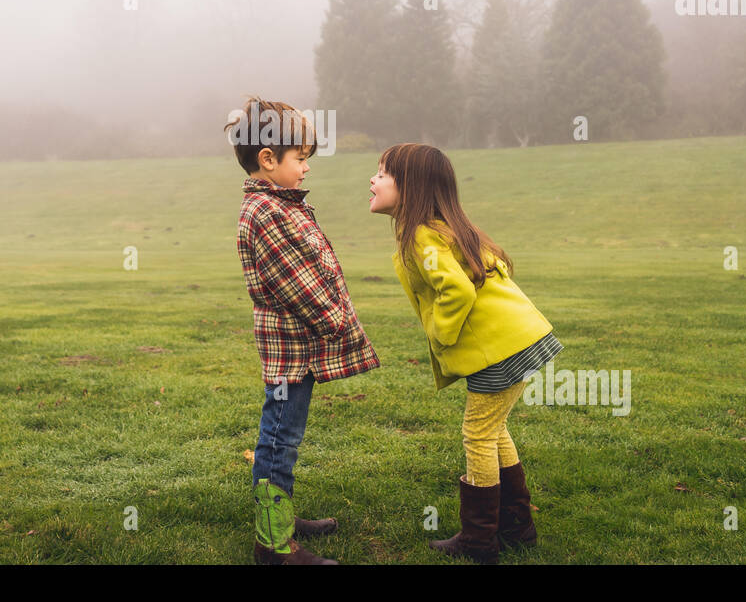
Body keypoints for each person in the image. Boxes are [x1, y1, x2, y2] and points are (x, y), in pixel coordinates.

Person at [370, 142, 561, 563]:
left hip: (500, 349)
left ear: (411, 186)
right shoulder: (443, 228)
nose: (372, 179)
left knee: (477, 434)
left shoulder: (423, 236)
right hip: (519, 340)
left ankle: (479, 542)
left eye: (383, 173)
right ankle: (517, 528)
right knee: (494, 430)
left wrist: (441, 332)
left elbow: (454, 289)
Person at [226, 96, 380, 565]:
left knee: (285, 437)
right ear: (268, 160)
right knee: (277, 441)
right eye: (300, 158)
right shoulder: (266, 213)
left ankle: (282, 518)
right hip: (289, 354)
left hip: (299, 352)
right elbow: (298, 284)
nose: (306, 168)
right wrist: (336, 321)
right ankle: (273, 543)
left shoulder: (280, 204)